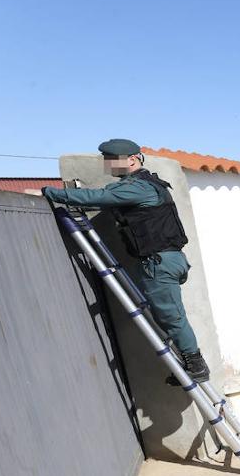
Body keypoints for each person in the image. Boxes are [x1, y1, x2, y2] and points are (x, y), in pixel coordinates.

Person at [41, 139, 210, 382]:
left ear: (131, 160)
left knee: (170, 316)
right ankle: (187, 360)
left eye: (111, 160)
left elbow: (95, 197)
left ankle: (195, 365)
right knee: (167, 314)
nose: (107, 164)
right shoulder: (142, 184)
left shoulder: (137, 188)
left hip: (159, 263)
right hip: (167, 260)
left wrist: (53, 193)